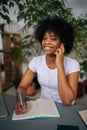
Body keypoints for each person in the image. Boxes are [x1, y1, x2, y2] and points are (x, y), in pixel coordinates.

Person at [14, 16, 80, 114]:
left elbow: (67, 101)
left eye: (53, 39)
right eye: (44, 38)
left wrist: (60, 65)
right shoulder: (36, 62)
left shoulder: (73, 65)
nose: (46, 42)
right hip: (44, 107)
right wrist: (20, 101)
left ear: (63, 43)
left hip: (67, 110)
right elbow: (22, 87)